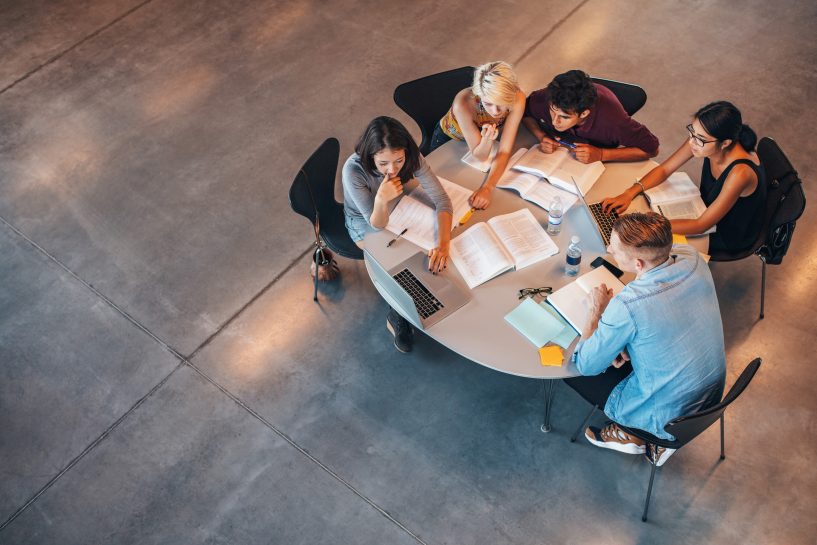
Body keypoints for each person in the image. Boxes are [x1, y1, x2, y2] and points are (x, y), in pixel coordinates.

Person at [571, 212, 725, 466]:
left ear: (639, 265)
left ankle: (635, 432)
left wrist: (596, 311)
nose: (609, 249)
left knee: (571, 373)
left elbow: (586, 365)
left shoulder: (629, 304)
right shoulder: (692, 257)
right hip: (710, 394)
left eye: (615, 250)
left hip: (668, 414)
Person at [342, 116, 453, 353]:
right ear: (370, 155)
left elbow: (442, 200)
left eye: (398, 161)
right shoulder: (354, 171)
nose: (392, 170)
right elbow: (377, 225)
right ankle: (398, 311)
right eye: (383, 163)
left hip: (400, 208)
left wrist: (443, 244)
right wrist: (382, 199)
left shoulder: (412, 158)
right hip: (366, 222)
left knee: (427, 250)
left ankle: (422, 299)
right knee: (396, 259)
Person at [603, 101, 766, 253]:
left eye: (700, 139)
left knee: (648, 247)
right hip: (704, 209)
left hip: (726, 232)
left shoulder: (740, 173)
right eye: (692, 133)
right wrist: (629, 193)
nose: (692, 142)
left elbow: (702, 225)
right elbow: (665, 169)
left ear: (725, 143)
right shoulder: (703, 140)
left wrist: (649, 225)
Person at [428, 61, 526, 210]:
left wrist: (488, 188)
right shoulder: (463, 103)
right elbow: (480, 156)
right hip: (449, 140)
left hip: (480, 139)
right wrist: (487, 140)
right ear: (479, 95)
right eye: (488, 103)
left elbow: (505, 150)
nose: (495, 111)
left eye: (501, 103)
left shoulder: (518, 98)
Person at [522, 69, 659, 163]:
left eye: (564, 117)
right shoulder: (550, 97)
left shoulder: (613, 121)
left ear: (584, 113)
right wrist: (541, 136)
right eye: (552, 111)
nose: (554, 121)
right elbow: (525, 112)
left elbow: (652, 149)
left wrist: (602, 154)